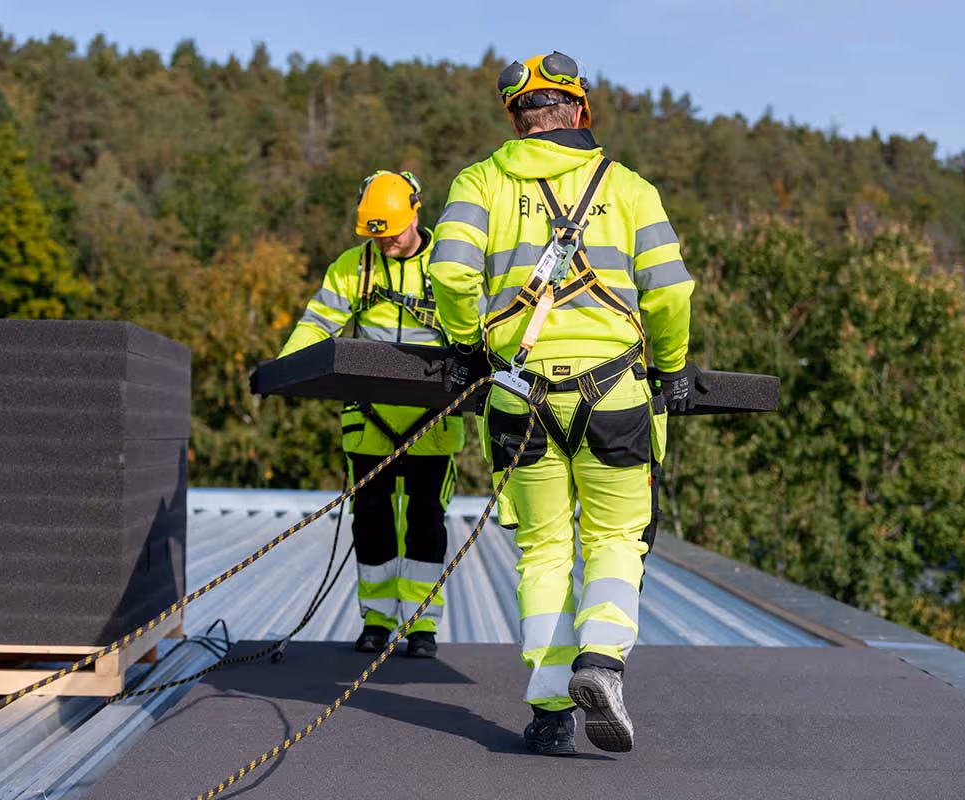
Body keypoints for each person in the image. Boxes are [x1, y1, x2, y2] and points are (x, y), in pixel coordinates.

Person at [428, 52, 696, 754]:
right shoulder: (631, 189)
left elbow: (451, 269)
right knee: (611, 541)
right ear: (579, 111)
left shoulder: (480, 182)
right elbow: (670, 291)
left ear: (515, 116)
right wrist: (670, 367)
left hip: (520, 397)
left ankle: (550, 714)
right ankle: (601, 662)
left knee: (543, 551)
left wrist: (463, 346)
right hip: (615, 392)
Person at [279, 170, 464, 659]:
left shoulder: (447, 265)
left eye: (393, 233)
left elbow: (476, 329)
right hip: (369, 423)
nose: (385, 243)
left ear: (416, 213)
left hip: (433, 423)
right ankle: (378, 621)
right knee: (372, 520)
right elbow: (318, 323)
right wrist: (284, 370)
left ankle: (422, 626)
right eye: (376, 235)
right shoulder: (353, 268)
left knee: (427, 521)